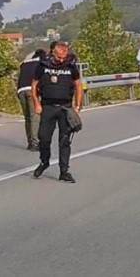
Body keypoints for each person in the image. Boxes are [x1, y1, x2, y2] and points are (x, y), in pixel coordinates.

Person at [32, 39, 83, 183]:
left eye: (64, 56)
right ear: (53, 52)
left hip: (65, 107)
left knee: (65, 141)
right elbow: (34, 85)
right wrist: (36, 103)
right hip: (47, 106)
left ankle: (64, 171)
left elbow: (78, 85)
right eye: (59, 56)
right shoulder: (43, 65)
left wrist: (78, 106)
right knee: (43, 138)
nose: (62, 59)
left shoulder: (71, 66)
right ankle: (44, 162)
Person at [16, 50, 44, 150]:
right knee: (35, 117)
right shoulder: (41, 63)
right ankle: (35, 143)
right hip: (31, 90)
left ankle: (30, 142)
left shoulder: (24, 63)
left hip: (20, 90)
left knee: (27, 118)